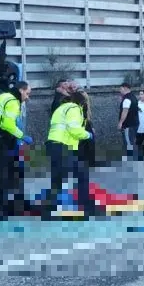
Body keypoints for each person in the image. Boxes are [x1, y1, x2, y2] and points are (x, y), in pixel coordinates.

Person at [44, 90, 102, 218]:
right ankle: (87, 208)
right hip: (63, 146)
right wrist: (88, 135)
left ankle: (48, 210)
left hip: (53, 145)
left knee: (57, 179)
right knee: (82, 175)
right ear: (81, 102)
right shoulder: (74, 108)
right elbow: (74, 129)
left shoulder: (62, 108)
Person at [0, 80, 33, 217]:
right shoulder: (13, 101)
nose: (27, 97)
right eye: (27, 93)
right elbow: (8, 125)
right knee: (1, 175)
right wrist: (22, 136)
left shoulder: (0, 97)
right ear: (21, 90)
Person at [118, 82, 140, 159]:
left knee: (129, 143)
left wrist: (120, 122)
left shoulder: (127, 99)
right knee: (132, 141)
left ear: (125, 88)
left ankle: (132, 160)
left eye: (120, 89)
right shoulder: (133, 97)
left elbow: (125, 111)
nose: (120, 91)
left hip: (128, 125)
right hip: (134, 123)